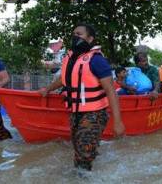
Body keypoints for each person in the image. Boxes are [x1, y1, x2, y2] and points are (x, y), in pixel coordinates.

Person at [39, 24, 124, 171]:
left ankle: (81, 178)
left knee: (83, 155)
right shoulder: (70, 58)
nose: (75, 37)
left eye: (79, 34)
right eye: (74, 34)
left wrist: (118, 122)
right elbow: (64, 79)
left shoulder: (96, 60)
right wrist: (47, 89)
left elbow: (111, 91)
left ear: (90, 39)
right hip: (75, 112)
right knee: (80, 149)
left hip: (94, 113)